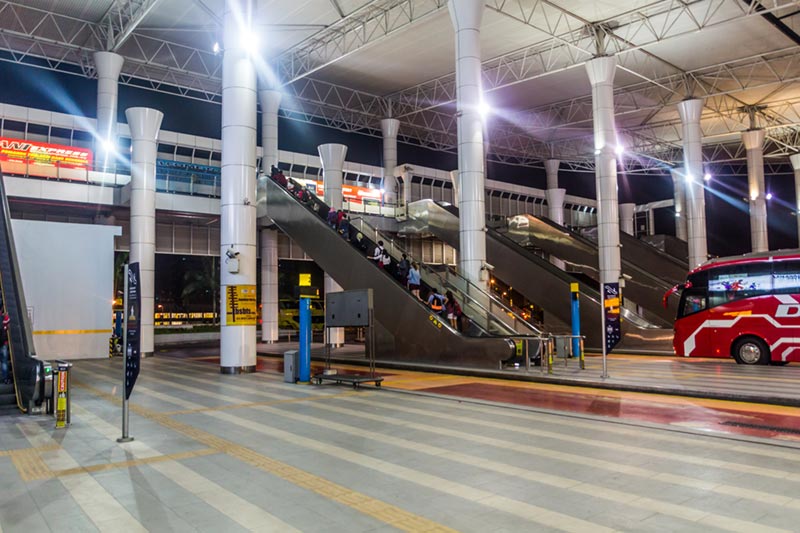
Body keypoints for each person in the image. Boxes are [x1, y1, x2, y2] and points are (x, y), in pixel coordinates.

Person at [0, 307, 9, 384]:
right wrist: (5, 315)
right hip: (3, 344)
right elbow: (8, 321)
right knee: (4, 362)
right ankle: (5, 379)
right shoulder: (3, 318)